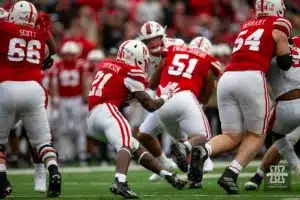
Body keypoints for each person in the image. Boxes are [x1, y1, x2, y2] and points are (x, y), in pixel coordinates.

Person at [188, 0, 293, 194]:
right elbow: (285, 62)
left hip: (227, 78)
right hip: (251, 77)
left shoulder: (246, 25)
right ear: (277, 8)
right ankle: (231, 174)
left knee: (232, 135)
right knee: (256, 134)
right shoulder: (279, 24)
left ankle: (204, 150)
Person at [87, 40, 187, 199]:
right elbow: (150, 105)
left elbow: (120, 93)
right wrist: (166, 96)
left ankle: (167, 175)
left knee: (134, 147)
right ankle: (120, 181)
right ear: (136, 57)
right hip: (106, 110)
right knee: (125, 143)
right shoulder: (131, 71)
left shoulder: (107, 64)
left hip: (92, 118)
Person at [138, 37, 222, 188]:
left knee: (182, 141)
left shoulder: (172, 51)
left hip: (161, 102)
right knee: (202, 137)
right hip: (185, 98)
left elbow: (151, 84)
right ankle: (188, 151)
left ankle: (194, 179)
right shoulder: (207, 60)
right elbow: (204, 98)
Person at [0, 1, 61, 198]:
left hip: (7, 87)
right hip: (35, 89)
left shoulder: (5, 28)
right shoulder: (39, 32)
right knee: (43, 142)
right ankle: (54, 171)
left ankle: (2, 182)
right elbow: (52, 50)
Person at [244, 36, 300, 190]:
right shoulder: (294, 46)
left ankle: (295, 166)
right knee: (286, 139)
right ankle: (258, 176)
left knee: (277, 136)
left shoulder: (268, 55)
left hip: (287, 103)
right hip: (290, 103)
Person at [52, 41, 88, 165]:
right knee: (62, 128)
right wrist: (55, 97)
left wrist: (85, 99)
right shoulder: (58, 65)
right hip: (63, 99)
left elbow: (84, 82)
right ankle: (62, 154)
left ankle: (82, 153)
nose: (69, 57)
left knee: (79, 127)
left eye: (71, 54)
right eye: (66, 54)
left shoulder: (80, 65)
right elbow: (55, 83)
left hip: (76, 99)